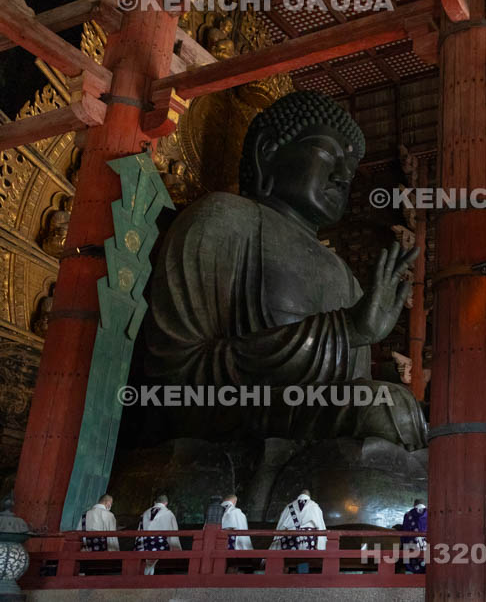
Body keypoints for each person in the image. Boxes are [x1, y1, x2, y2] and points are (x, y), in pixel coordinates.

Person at [145, 91, 427, 449]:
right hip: (232, 414)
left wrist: (353, 335)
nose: (343, 177)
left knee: (397, 409)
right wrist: (346, 330)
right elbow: (174, 376)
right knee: (378, 412)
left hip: (308, 420)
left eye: (351, 169)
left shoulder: (346, 279)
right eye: (329, 154)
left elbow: (348, 391)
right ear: (267, 151)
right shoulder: (224, 219)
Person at [134, 495, 181, 575]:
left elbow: (140, 529)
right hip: (160, 544)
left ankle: (147, 574)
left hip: (144, 544)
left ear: (155, 502)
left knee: (148, 565)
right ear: (166, 503)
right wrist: (176, 548)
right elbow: (173, 532)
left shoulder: (145, 512)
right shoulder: (168, 513)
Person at [400, 499, 427, 574]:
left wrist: (403, 543)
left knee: (411, 559)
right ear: (425, 505)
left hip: (412, 543)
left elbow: (405, 531)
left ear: (414, 505)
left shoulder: (408, 514)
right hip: (426, 543)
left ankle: (413, 572)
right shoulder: (430, 514)